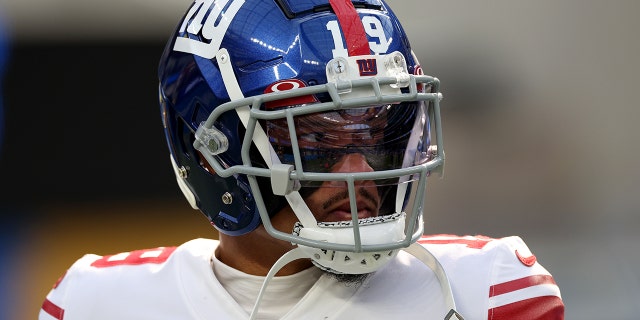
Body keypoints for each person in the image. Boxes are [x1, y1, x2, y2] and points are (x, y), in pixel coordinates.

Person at [40, 0, 564, 319]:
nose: (361, 173)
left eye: (377, 131)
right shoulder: (95, 305)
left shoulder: (492, 290)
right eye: (316, 139)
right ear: (212, 154)